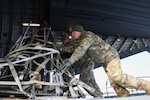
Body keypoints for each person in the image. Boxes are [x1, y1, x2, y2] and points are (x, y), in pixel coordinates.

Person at [59, 25, 150, 97]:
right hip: (104, 61)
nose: (73, 35)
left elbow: (81, 49)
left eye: (74, 32)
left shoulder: (87, 36)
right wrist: (58, 48)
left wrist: (70, 61)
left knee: (118, 78)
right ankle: (124, 96)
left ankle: (147, 86)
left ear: (79, 32)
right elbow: (69, 48)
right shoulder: (78, 41)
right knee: (114, 82)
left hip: (110, 57)